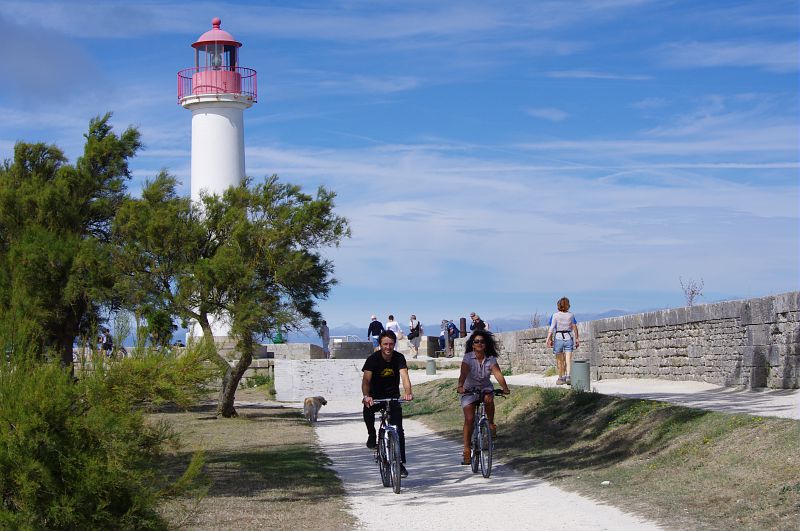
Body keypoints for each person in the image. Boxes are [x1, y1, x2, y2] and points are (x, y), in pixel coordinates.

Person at [362, 330, 413, 477]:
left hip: (392, 397)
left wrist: (408, 392)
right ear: (380, 345)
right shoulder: (373, 359)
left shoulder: (399, 358)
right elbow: (366, 381)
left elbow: (404, 377)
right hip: (375, 396)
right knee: (367, 409)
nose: (388, 347)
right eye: (385, 344)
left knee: (399, 430)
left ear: (394, 345)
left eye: (391, 344)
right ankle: (372, 435)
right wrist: (366, 396)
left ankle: (400, 463)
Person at [456, 330, 510, 465]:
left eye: (482, 341)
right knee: (469, 419)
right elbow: (463, 373)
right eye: (476, 341)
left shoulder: (490, 359)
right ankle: (467, 449)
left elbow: (498, 374)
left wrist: (505, 388)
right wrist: (460, 386)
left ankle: (490, 424)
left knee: (489, 399)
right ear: (472, 345)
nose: (480, 344)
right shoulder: (468, 358)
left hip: (485, 388)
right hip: (469, 390)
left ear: (486, 344)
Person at [545, 297, 580, 385]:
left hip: (559, 338)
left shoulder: (555, 315)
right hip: (568, 337)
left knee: (559, 361)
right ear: (568, 305)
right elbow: (574, 327)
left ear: (558, 305)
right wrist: (577, 338)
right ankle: (568, 376)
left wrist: (548, 339)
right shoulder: (571, 315)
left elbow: (552, 328)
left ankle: (561, 378)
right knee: (568, 359)